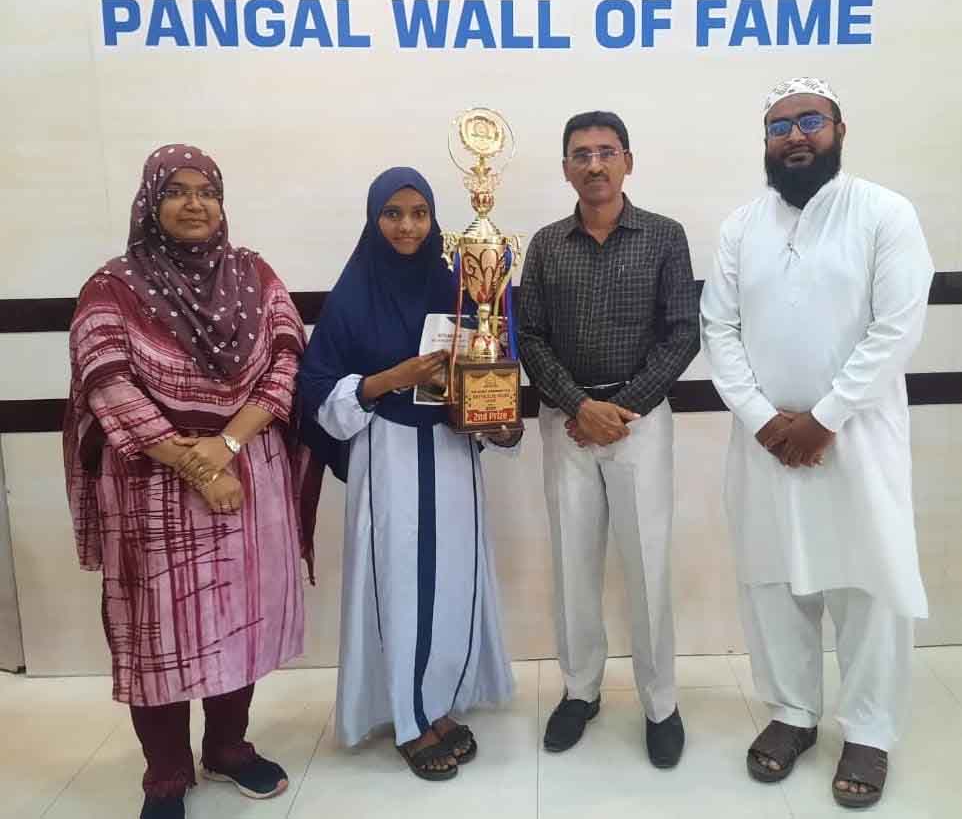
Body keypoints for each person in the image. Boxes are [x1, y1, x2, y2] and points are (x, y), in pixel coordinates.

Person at [63, 145, 319, 819]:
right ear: (151, 204)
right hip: (153, 483)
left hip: (247, 472)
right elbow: (108, 383)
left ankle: (228, 747)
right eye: (177, 191)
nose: (195, 204)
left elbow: (287, 362)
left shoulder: (254, 274)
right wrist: (198, 465)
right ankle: (167, 772)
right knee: (160, 631)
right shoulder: (112, 287)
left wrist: (226, 443)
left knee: (240, 618)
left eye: (207, 191)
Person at [700, 77, 934, 808]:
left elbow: (896, 327)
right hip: (765, 444)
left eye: (809, 122)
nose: (795, 137)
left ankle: (868, 729)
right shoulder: (742, 226)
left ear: (839, 129)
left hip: (856, 439)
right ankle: (792, 712)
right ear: (765, 142)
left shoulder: (885, 213)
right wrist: (764, 420)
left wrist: (826, 417)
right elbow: (718, 328)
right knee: (772, 581)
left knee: (867, 585)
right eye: (780, 127)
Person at [297, 167, 517, 781]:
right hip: (388, 455)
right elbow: (317, 389)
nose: (407, 226)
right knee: (398, 585)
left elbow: (486, 366)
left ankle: (436, 702)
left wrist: (496, 417)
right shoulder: (353, 295)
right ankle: (407, 716)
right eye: (392, 213)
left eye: (419, 213)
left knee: (451, 581)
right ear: (373, 219)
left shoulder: (456, 287)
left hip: (451, 455)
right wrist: (394, 378)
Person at [518, 111, 699, 766]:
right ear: (566, 167)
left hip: (638, 422)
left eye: (606, 152)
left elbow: (683, 333)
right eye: (580, 154)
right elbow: (530, 336)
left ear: (628, 161)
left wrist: (618, 409)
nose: (594, 165)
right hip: (567, 423)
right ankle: (580, 691)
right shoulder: (546, 245)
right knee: (573, 562)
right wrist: (578, 405)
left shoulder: (664, 236)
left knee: (647, 563)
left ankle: (660, 703)